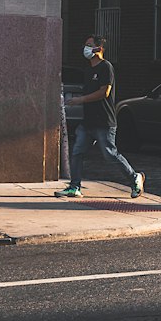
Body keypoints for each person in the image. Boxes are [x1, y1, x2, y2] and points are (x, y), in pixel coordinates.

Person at [55, 34, 144, 199]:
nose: (86, 48)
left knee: (110, 154)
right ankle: (75, 187)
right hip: (88, 121)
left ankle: (134, 178)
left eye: (89, 45)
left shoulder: (106, 67)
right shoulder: (88, 70)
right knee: (77, 152)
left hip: (104, 121)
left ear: (99, 48)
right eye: (85, 44)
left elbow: (104, 92)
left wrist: (80, 100)